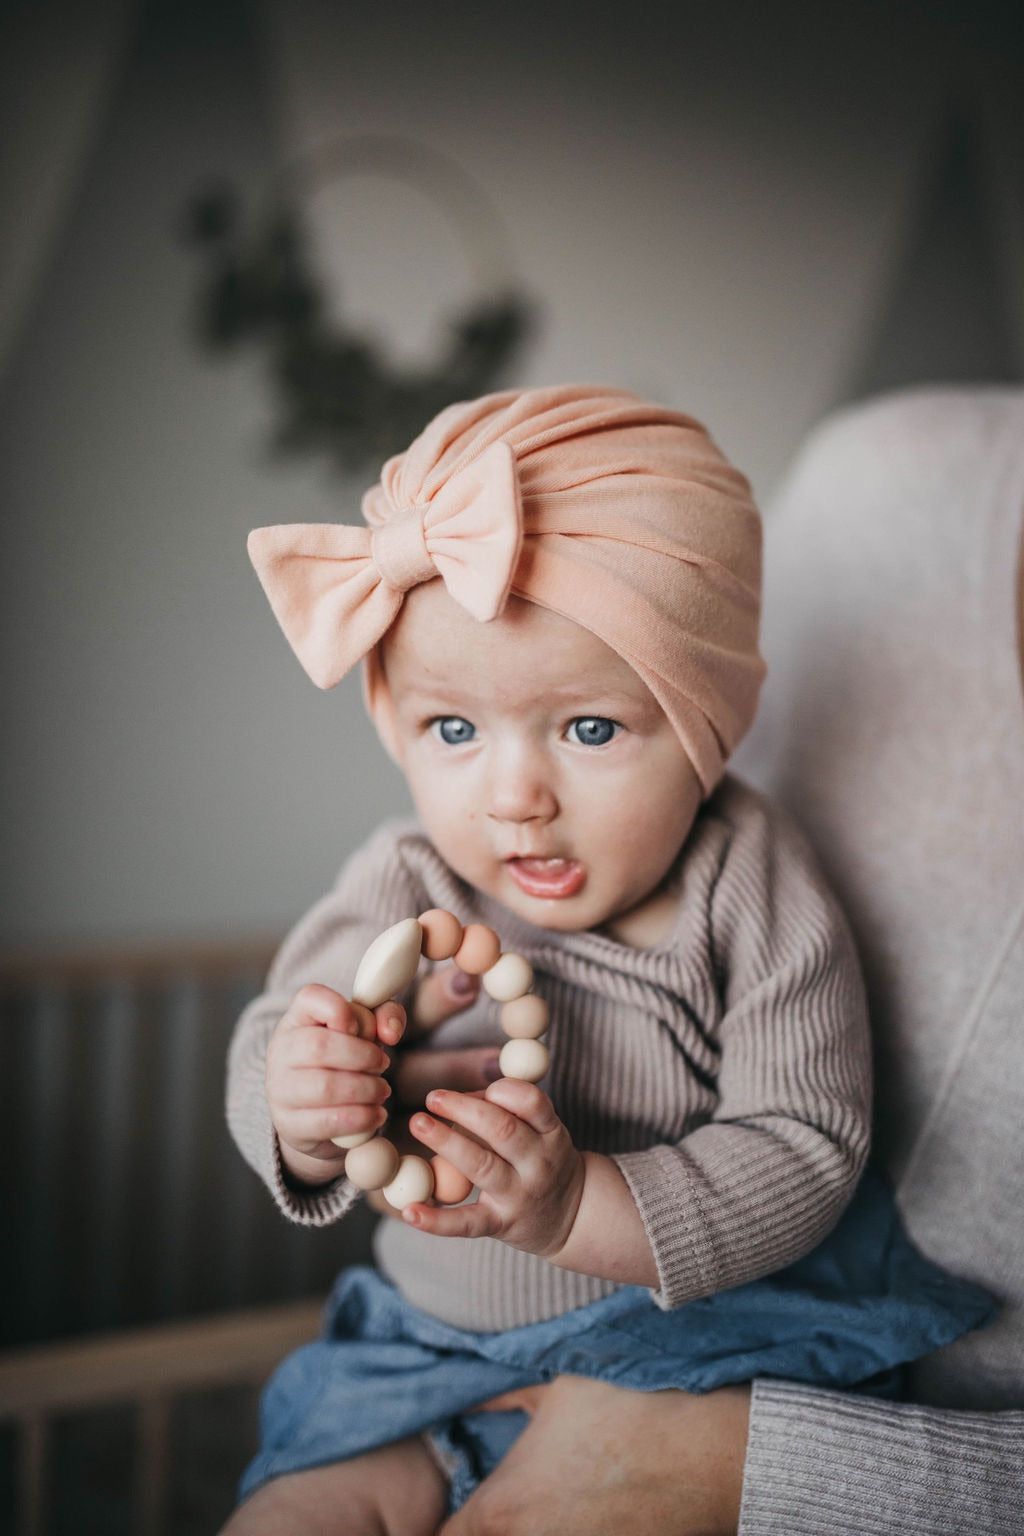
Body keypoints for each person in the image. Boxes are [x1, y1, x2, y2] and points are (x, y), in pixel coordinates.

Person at [222, 386, 991, 1534]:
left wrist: (585, 1201)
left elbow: (807, 1142)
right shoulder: (407, 877)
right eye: (452, 729)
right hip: (420, 1351)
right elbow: (279, 1024)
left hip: (688, 1349)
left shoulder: (748, 881)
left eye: (588, 730)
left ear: (701, 727)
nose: (514, 795)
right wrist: (299, 1098)